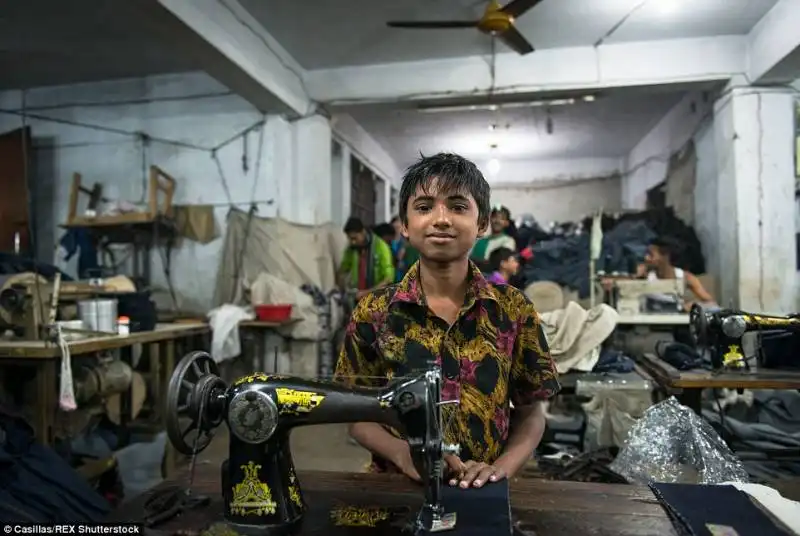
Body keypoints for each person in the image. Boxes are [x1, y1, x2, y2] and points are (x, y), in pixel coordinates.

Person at [334, 152, 560, 489]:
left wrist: (500, 469)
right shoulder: (374, 311)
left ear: (482, 223)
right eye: (424, 207)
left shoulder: (513, 310)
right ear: (406, 226)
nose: (441, 219)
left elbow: (531, 411)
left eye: (457, 206)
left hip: (486, 487)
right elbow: (355, 413)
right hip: (396, 489)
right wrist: (401, 453)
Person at [637, 236, 715, 308]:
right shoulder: (646, 276)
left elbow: (710, 302)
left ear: (665, 255)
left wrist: (693, 306)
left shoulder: (685, 277)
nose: (646, 258)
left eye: (651, 255)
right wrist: (636, 278)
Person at [338, 217, 395, 299]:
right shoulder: (351, 249)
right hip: (358, 299)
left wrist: (366, 293)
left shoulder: (381, 247)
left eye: (354, 238)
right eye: (350, 239)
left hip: (377, 300)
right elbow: (342, 270)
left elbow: (388, 279)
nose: (352, 242)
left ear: (362, 232)